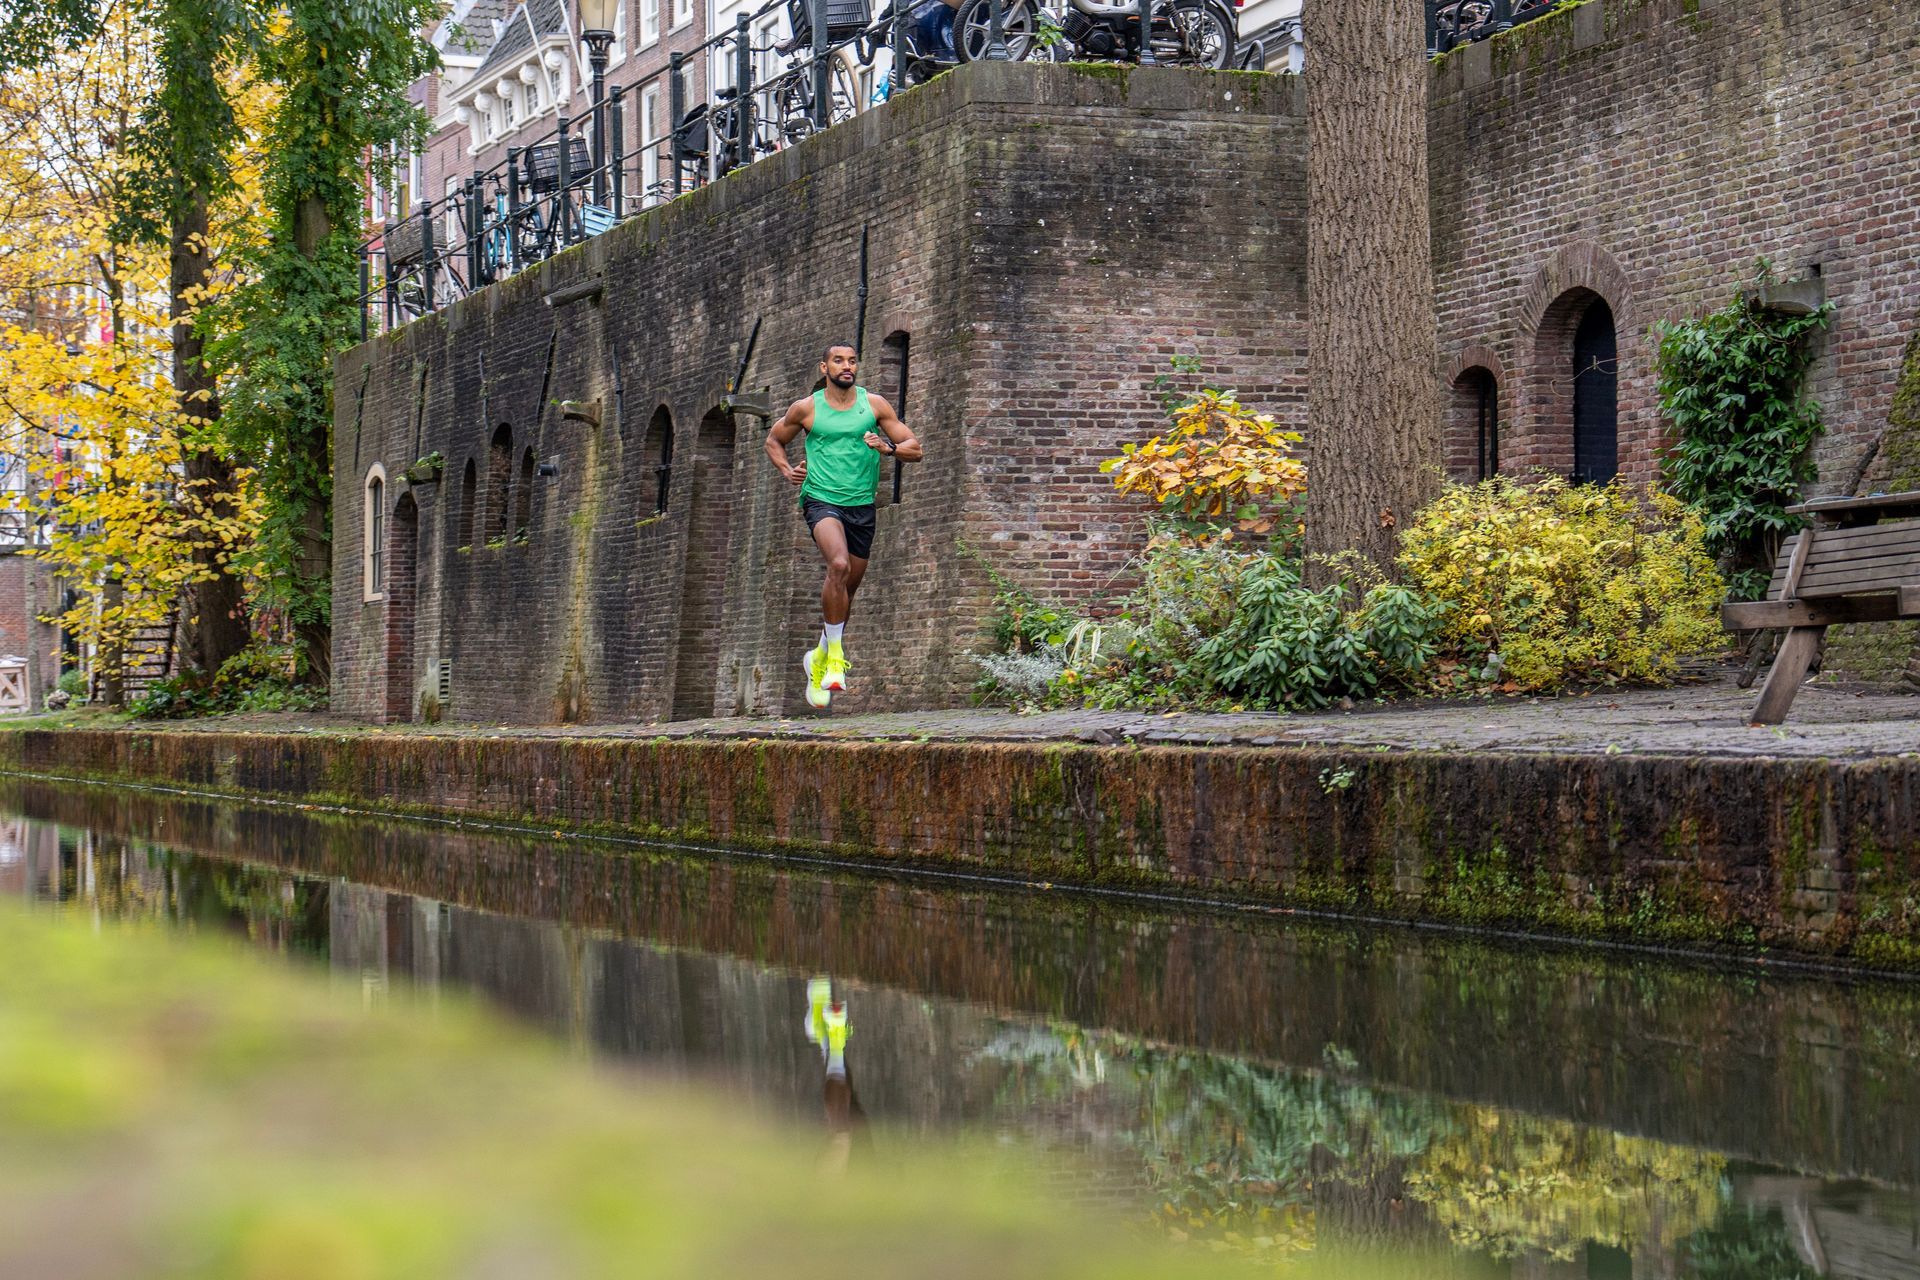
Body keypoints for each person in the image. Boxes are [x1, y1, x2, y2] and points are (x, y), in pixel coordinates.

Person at [764, 342, 921, 710]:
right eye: (839, 361)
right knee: (838, 565)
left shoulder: (875, 404)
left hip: (861, 506)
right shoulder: (806, 408)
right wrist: (788, 470)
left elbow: (914, 447)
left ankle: (817, 659)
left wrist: (888, 449)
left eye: (852, 361)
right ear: (825, 367)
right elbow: (774, 440)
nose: (846, 366)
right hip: (820, 498)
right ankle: (835, 658)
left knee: (846, 590)